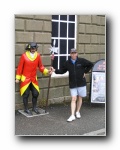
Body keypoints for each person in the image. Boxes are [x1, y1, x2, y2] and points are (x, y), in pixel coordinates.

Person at [51, 48, 93, 122]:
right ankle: (72, 115)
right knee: (73, 98)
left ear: (77, 54)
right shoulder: (67, 63)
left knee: (80, 98)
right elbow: (62, 71)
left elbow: (91, 64)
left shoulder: (82, 61)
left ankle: (77, 111)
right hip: (73, 83)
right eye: (72, 53)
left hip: (81, 83)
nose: (73, 54)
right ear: (70, 54)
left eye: (75, 53)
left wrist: (85, 72)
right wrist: (55, 70)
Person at [15, 42, 52, 115]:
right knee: (26, 94)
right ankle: (26, 109)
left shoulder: (38, 56)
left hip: (33, 79)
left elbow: (41, 67)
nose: (33, 49)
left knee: (36, 93)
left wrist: (47, 71)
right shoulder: (24, 56)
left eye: (34, 48)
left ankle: (34, 108)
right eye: (32, 48)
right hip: (25, 79)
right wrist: (17, 78)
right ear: (29, 48)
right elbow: (20, 68)